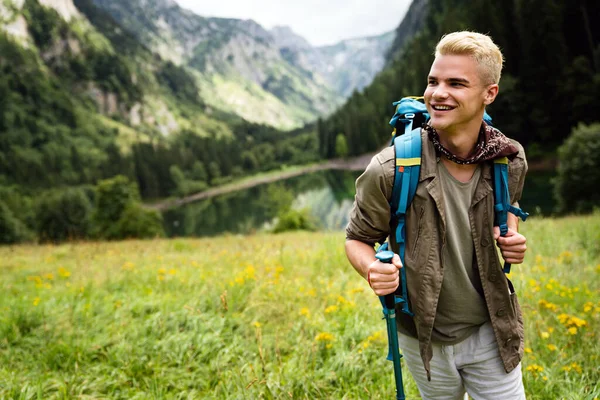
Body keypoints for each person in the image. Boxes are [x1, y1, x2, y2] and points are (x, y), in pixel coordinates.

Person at [345, 31, 528, 399]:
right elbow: (358, 239)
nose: (438, 93)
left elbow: (507, 213)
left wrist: (511, 235)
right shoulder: (390, 168)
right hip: (421, 337)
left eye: (456, 83)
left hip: (491, 328)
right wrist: (371, 269)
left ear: (489, 93)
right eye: (433, 81)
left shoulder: (509, 159)